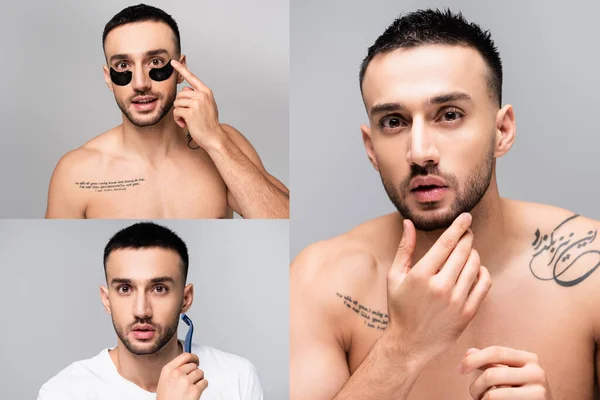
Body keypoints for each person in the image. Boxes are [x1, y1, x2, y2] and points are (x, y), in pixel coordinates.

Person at [290, 9, 600, 400]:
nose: (420, 152)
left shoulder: (591, 269)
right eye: (394, 122)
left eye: (449, 115)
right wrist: (402, 349)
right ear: (371, 148)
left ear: (502, 131)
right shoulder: (321, 282)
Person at [45, 4, 289, 219]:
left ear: (180, 69)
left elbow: (284, 224)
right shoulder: (76, 173)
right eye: (123, 65)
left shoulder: (224, 143)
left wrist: (216, 141)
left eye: (156, 62)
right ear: (109, 79)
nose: (140, 83)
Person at [38, 222, 264, 400]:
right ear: (107, 300)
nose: (141, 311)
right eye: (125, 289)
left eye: (159, 289)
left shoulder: (237, 377)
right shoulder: (64, 393)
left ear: (185, 299)